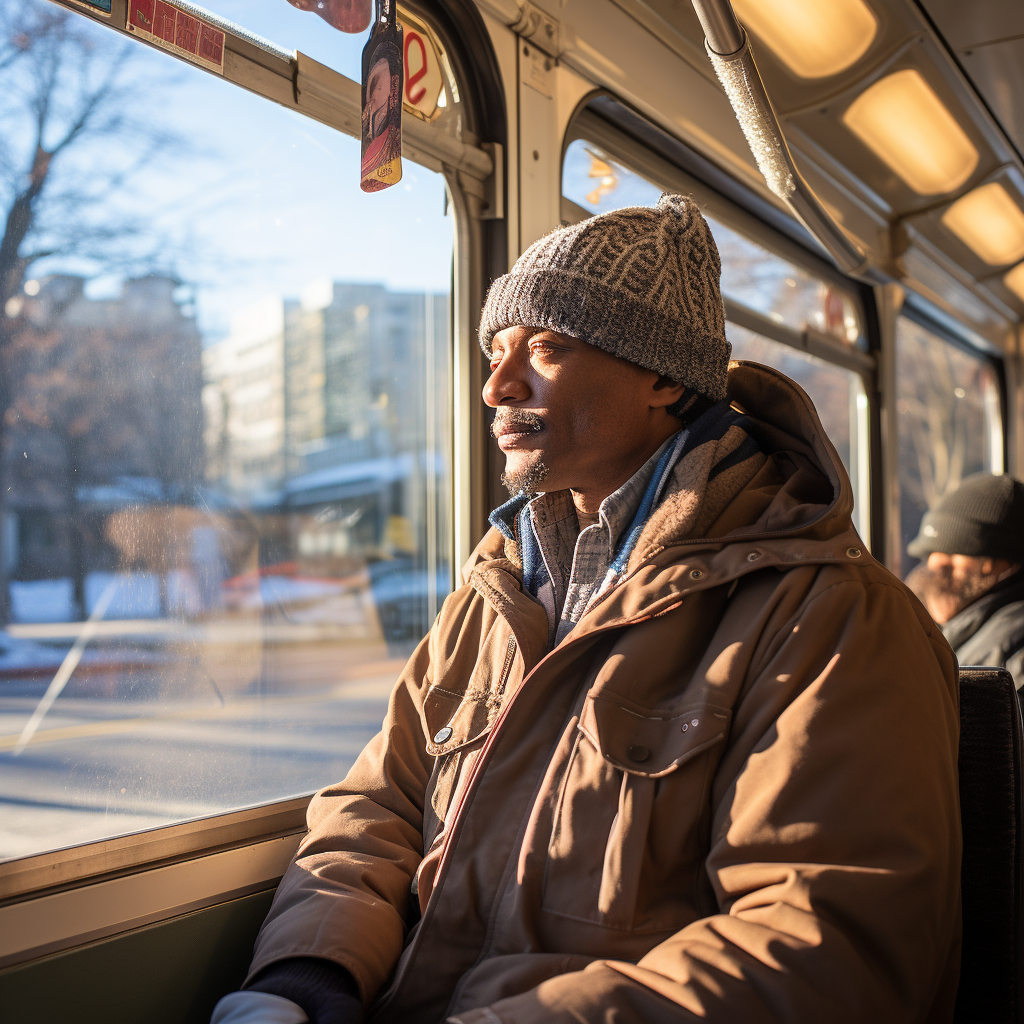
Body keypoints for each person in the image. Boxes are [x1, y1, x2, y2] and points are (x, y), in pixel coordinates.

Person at [212, 194, 960, 1024]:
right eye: (496, 350)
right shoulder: (494, 595)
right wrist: (307, 977)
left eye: (548, 348)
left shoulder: (830, 618)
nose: (498, 384)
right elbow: (378, 806)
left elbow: (826, 947)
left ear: (664, 379)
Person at [906, 471, 1024, 687]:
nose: (935, 563)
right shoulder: (967, 637)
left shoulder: (1012, 657)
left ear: (1003, 562)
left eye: (955, 551)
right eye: (929, 553)